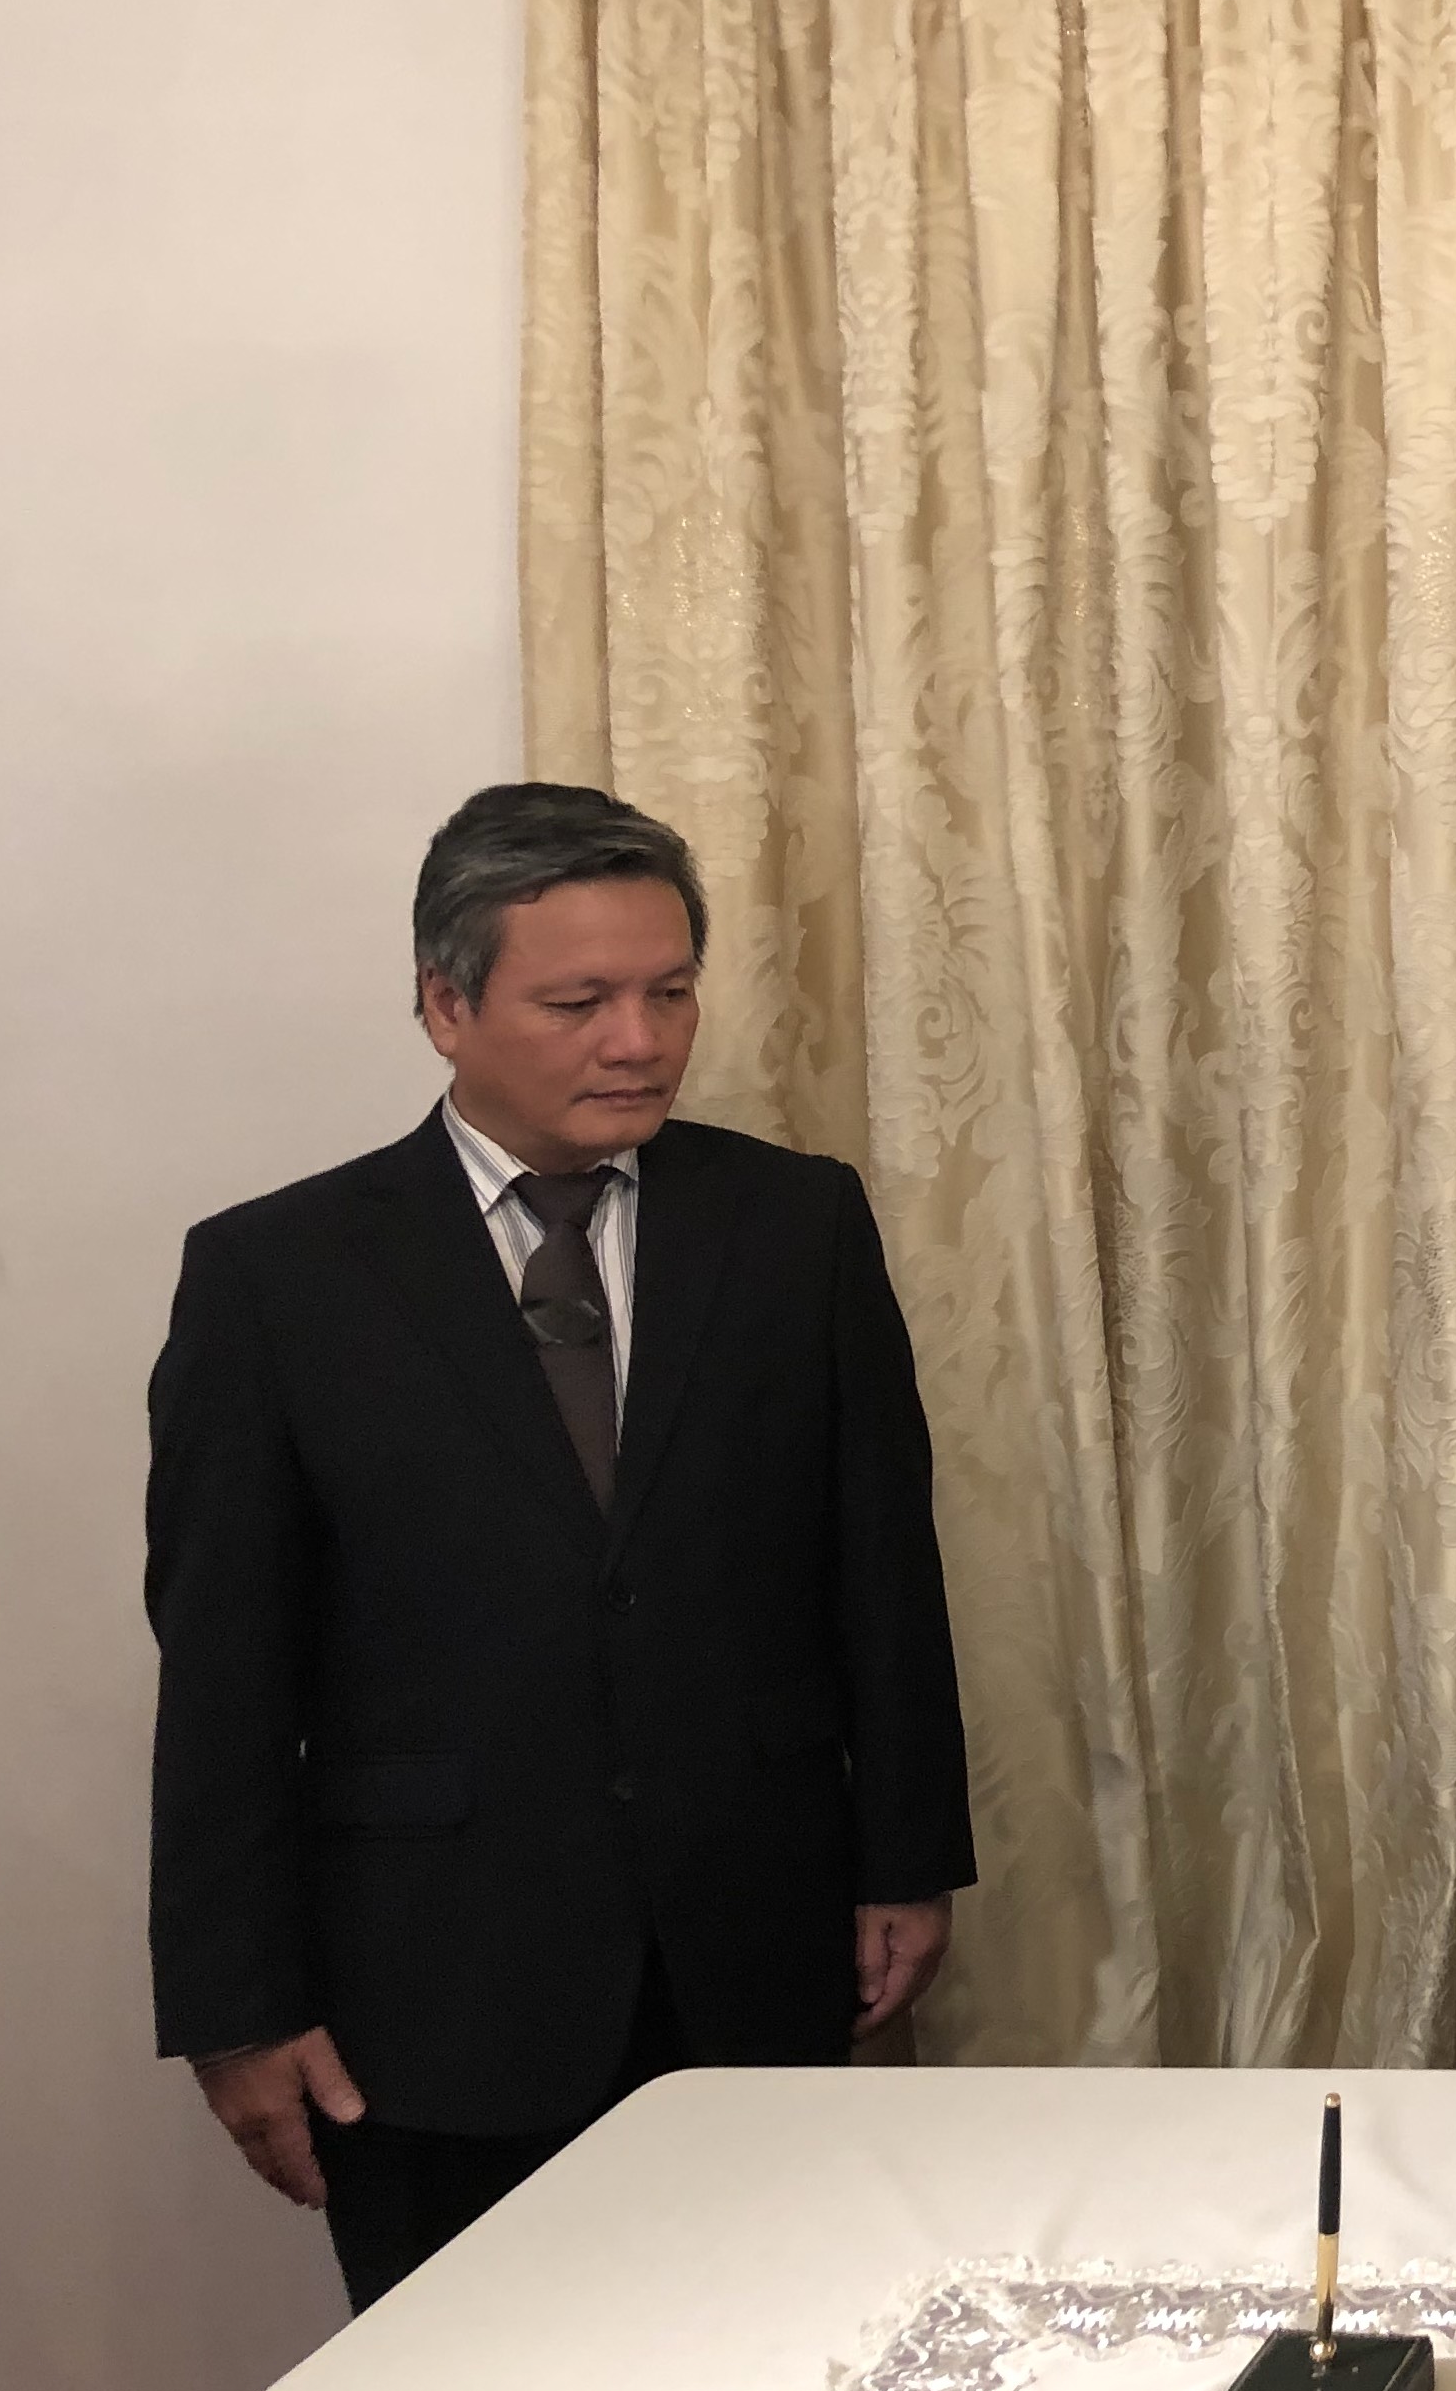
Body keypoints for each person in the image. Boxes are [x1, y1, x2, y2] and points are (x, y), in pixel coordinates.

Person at [147, 784, 975, 2309]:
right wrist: (235, 2006)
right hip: (436, 1994)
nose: (639, 1042)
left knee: (772, 2361)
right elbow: (224, 1676)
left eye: (671, 993)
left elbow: (879, 1567)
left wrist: (909, 1858)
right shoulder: (278, 1278)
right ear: (445, 1005)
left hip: (754, 1951)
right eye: (580, 1002)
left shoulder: (794, 1227)